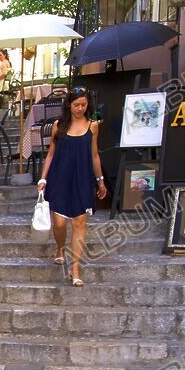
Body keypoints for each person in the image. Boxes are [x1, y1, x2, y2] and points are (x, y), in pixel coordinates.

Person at [36, 87, 106, 286]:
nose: (80, 108)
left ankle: (75, 267)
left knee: (79, 222)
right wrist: (43, 179)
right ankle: (60, 248)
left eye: (84, 105)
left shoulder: (93, 126)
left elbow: (94, 155)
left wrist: (100, 180)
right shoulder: (59, 125)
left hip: (83, 178)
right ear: (69, 105)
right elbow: (50, 154)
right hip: (60, 177)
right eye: (77, 105)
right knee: (58, 223)